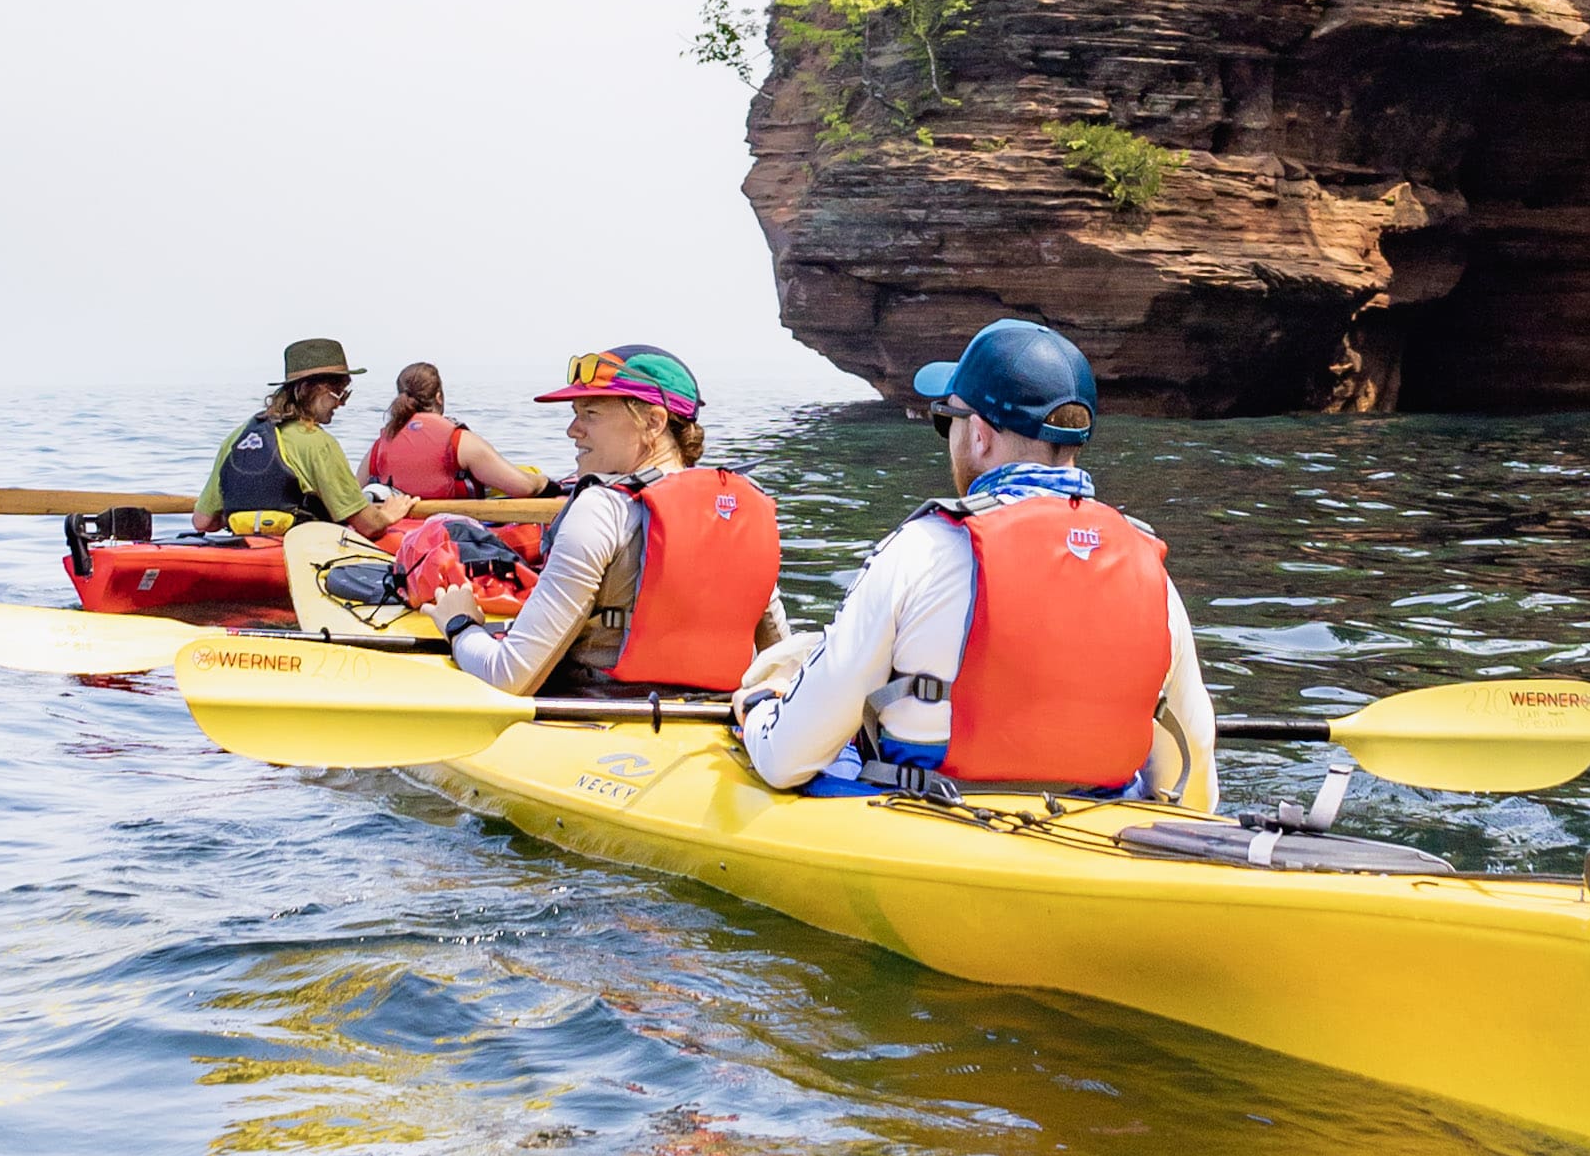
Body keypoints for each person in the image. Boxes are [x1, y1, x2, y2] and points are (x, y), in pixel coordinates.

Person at [734, 316, 1215, 807]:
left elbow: (785, 760)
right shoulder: (1151, 570)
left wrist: (761, 706)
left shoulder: (921, 549)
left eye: (948, 419)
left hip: (934, 822)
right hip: (1100, 822)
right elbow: (1195, 790)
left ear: (980, 436)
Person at [440, 343, 781, 703]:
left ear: (653, 422)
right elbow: (782, 662)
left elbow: (508, 676)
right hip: (710, 720)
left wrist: (460, 625)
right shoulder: (747, 510)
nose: (573, 430)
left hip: (597, 717)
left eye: (590, 413)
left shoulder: (601, 510)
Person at [198, 336, 408, 540]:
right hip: (298, 554)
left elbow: (203, 521)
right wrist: (386, 516)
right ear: (308, 390)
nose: (341, 403)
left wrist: (251, 517)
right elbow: (369, 526)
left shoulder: (237, 437)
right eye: (338, 394)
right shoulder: (317, 443)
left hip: (245, 548)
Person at [367, 365, 557, 511]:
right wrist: (543, 482)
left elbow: (351, 496)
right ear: (439, 397)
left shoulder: (379, 446)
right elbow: (524, 488)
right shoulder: (459, 441)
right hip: (452, 537)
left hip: (397, 537)